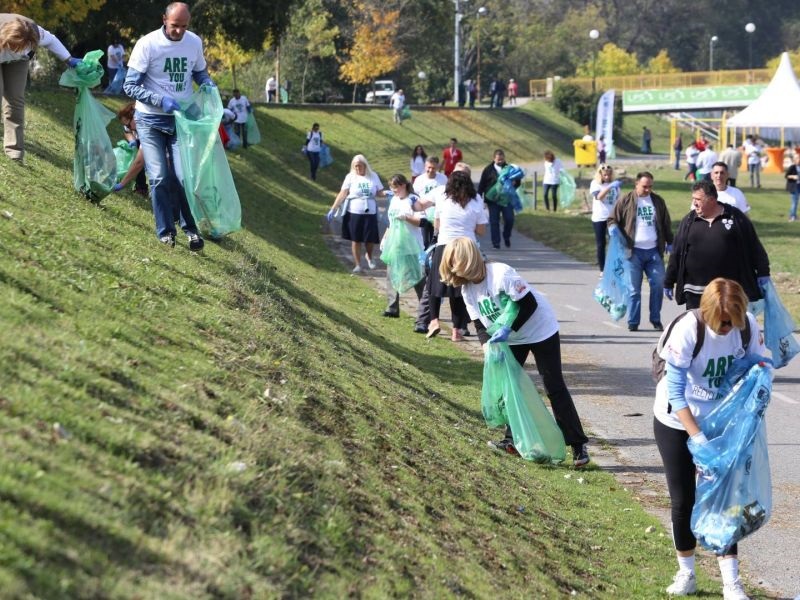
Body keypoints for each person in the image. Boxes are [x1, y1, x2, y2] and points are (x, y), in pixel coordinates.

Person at [653, 277, 766, 600]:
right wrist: (698, 440)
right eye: (724, 323)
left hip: (720, 420)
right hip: (676, 419)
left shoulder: (745, 327)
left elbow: (758, 363)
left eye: (734, 321)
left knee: (724, 498)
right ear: (709, 313)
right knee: (684, 499)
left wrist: (761, 377)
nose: (729, 328)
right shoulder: (689, 329)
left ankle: (731, 582)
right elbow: (675, 391)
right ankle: (686, 572)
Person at [439, 237, 591, 467]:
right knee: (509, 387)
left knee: (554, 386)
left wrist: (509, 328)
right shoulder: (467, 289)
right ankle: (512, 440)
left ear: (468, 261)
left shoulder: (501, 274)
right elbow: (480, 325)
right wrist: (489, 349)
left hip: (540, 330)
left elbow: (529, 305)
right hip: (509, 338)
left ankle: (578, 445)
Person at [123, 1, 213, 250]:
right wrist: (160, 99)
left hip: (180, 120)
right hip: (150, 119)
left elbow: (199, 72)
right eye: (175, 26)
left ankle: (191, 231)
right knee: (160, 176)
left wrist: (206, 82)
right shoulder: (147, 44)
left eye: (184, 26)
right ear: (164, 19)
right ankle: (165, 232)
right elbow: (129, 86)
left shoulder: (193, 42)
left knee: (185, 177)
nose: (179, 31)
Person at [665, 181, 770, 310]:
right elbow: (677, 252)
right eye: (693, 199)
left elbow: (754, 245)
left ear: (712, 200)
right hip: (695, 291)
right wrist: (669, 281)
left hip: (727, 290)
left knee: (727, 326)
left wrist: (763, 272)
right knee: (700, 328)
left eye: (698, 199)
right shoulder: (689, 220)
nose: (694, 203)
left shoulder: (735, 217)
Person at [0, 13, 80, 162]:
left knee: (15, 99)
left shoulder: (33, 33)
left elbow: (52, 41)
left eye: (25, 47)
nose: (20, 50)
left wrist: (69, 59)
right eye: (16, 47)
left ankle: (14, 151)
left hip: (18, 62)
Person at [426, 171, 487, 342]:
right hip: (467, 249)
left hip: (445, 245)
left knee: (435, 284)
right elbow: (481, 231)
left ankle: (434, 320)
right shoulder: (476, 201)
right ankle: (456, 330)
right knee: (460, 289)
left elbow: (437, 225)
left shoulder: (443, 199)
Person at [608, 171, 673, 332]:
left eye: (650, 186)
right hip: (632, 252)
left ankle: (656, 319)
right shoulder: (626, 200)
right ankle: (633, 321)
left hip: (653, 252)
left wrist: (670, 242)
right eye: (645, 186)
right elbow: (612, 219)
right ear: (636, 184)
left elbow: (666, 224)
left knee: (658, 285)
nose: (648, 190)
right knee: (633, 289)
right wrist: (613, 229)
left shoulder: (657, 201)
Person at [411, 157, 454, 334]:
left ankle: (459, 324)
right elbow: (418, 201)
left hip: (443, 229)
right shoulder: (421, 180)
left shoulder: (443, 181)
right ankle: (427, 318)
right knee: (428, 255)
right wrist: (410, 203)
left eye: (433, 168)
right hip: (426, 221)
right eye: (428, 168)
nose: (430, 171)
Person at [327, 154, 385, 273]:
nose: (358, 168)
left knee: (370, 238)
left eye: (360, 166)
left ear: (365, 165)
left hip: (370, 211)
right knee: (356, 239)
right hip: (354, 212)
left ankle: (369, 256)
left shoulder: (373, 176)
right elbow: (343, 193)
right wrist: (333, 208)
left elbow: (380, 193)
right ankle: (358, 264)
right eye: (355, 166)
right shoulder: (350, 177)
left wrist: (390, 193)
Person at [381, 174, 426, 318]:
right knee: (391, 274)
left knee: (418, 277)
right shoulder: (393, 200)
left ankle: (426, 310)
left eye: (395, 187)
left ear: (403, 185)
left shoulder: (413, 200)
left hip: (412, 244)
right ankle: (392, 307)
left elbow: (422, 221)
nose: (393, 190)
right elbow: (391, 222)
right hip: (395, 244)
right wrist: (385, 237)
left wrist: (407, 217)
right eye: (391, 187)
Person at [477, 149, 518, 249]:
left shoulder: (509, 169)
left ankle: (506, 236)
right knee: (494, 221)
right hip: (492, 200)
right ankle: (496, 243)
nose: (500, 161)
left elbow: (517, 181)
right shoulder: (488, 170)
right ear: (494, 158)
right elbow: (482, 185)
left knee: (509, 219)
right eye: (498, 160)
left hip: (506, 199)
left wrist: (515, 183)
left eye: (502, 159)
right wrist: (479, 199)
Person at [589, 164, 622, 271]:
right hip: (599, 218)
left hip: (611, 218)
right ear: (600, 175)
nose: (607, 177)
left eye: (609, 175)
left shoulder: (615, 185)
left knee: (614, 243)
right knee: (601, 244)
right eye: (604, 175)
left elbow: (618, 200)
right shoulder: (595, 184)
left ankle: (613, 268)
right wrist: (609, 187)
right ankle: (602, 269)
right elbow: (599, 197)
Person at [112, 102, 148, 197]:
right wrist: (132, 140)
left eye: (129, 125)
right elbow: (127, 131)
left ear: (134, 116)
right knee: (136, 158)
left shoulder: (146, 127)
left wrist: (121, 184)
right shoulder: (131, 123)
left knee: (138, 162)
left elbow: (139, 163)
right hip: (139, 140)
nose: (128, 127)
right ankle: (141, 188)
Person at [785, 152, 800, 222]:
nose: (799, 159)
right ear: (795, 160)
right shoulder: (792, 167)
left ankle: (795, 215)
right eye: (798, 158)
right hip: (794, 186)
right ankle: (792, 216)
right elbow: (786, 176)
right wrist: (793, 176)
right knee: (794, 202)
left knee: (796, 202)